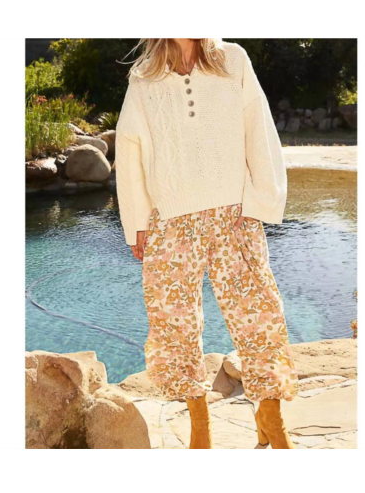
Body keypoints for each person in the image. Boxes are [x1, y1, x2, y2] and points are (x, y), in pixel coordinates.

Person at [116, 38, 299, 450]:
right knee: (174, 323)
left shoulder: (233, 59)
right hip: (171, 220)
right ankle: (200, 423)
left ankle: (271, 416)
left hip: (235, 214)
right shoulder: (144, 76)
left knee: (259, 318)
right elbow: (128, 150)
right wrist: (137, 221)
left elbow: (258, 127)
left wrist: (261, 200)